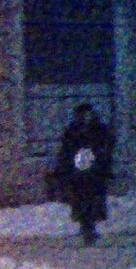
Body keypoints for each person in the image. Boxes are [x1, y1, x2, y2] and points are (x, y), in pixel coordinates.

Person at [52, 102, 114, 245]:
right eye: (82, 114)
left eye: (87, 114)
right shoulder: (73, 130)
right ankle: (86, 226)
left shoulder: (99, 129)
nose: (85, 117)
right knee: (81, 200)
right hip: (79, 173)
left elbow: (107, 147)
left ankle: (89, 227)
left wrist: (103, 163)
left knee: (92, 200)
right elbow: (66, 151)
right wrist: (64, 169)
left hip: (94, 172)